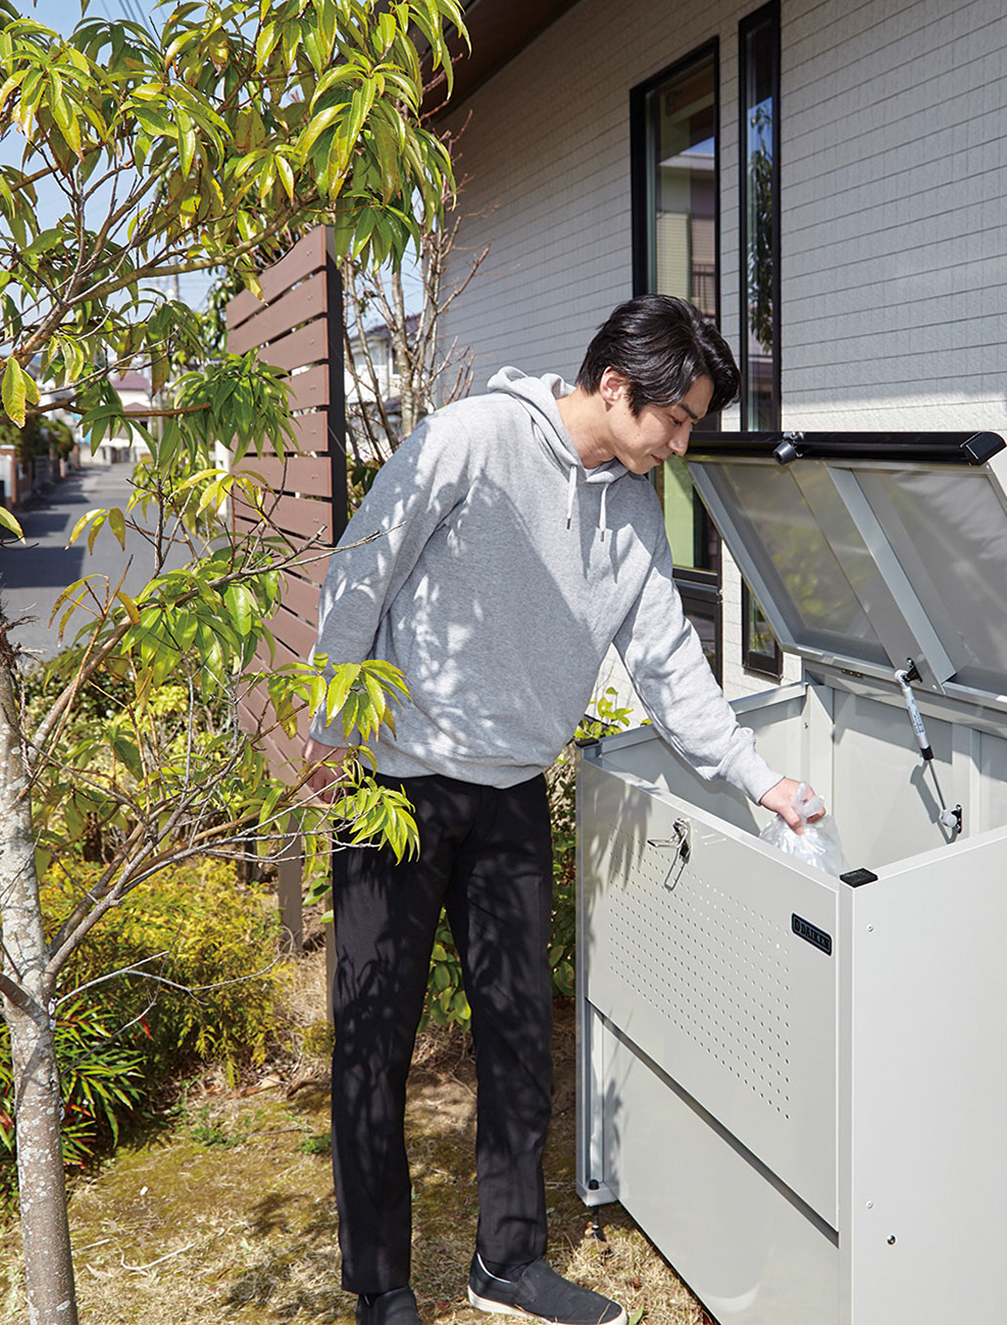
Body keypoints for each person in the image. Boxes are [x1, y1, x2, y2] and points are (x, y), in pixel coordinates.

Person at [303, 294, 822, 1325]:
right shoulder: (472, 437)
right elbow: (367, 561)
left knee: (515, 1038)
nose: (679, 444)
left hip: (509, 798)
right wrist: (327, 712)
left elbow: (671, 665)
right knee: (374, 1037)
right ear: (618, 387)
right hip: (395, 786)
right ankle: (380, 1287)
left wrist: (760, 776)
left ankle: (508, 1261)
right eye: (676, 421)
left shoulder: (630, 509)